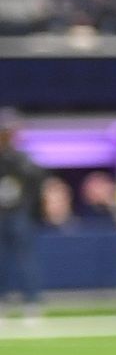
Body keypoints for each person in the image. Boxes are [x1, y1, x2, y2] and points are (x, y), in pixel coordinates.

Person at [0, 110, 46, 318]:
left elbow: (36, 182)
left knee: (25, 258)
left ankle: (32, 301)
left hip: (18, 213)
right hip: (2, 214)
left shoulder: (22, 158)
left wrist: (30, 209)